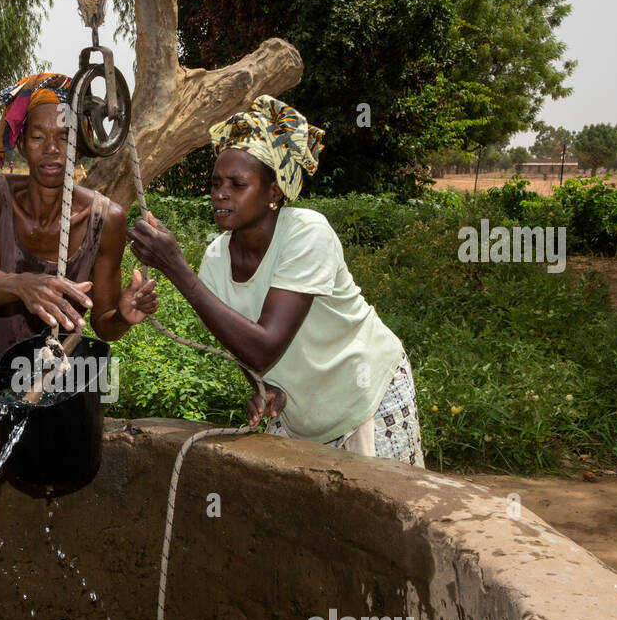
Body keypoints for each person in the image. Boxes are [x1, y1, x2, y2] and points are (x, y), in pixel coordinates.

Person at [127, 96, 425, 467]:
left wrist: (176, 269)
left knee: (385, 514)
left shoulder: (307, 235)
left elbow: (265, 346)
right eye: (216, 182)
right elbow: (240, 343)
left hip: (366, 395)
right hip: (301, 411)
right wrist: (263, 388)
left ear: (275, 192)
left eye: (237, 184)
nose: (220, 193)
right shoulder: (216, 260)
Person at [0, 73, 158, 403]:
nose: (51, 149)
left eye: (65, 137)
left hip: (55, 399)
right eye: (38, 137)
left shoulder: (106, 219)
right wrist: (23, 285)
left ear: (80, 145)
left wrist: (123, 316)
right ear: (21, 143)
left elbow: (104, 323)